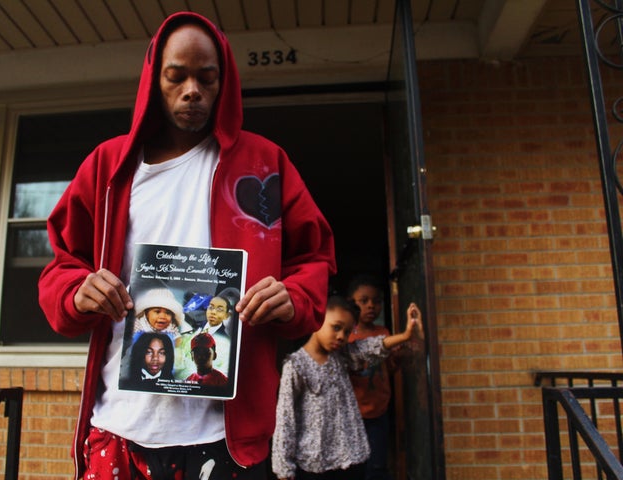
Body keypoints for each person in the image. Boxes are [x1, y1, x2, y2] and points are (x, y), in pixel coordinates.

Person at [37, 11, 336, 480]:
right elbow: (60, 266)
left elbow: (313, 257)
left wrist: (293, 296)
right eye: (176, 77)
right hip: (118, 424)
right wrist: (77, 291)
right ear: (154, 80)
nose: (192, 90)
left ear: (225, 83)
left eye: (207, 78)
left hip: (225, 437)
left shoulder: (264, 164)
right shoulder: (108, 168)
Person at [271, 296, 423, 480]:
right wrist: (284, 468)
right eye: (336, 327)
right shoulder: (296, 366)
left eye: (347, 331)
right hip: (315, 466)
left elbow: (370, 347)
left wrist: (406, 335)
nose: (342, 336)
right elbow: (285, 418)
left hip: (353, 459)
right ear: (318, 321)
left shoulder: (341, 356)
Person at [347, 274, 403, 480]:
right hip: (352, 413)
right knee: (354, 466)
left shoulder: (384, 333)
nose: (371, 306)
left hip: (379, 411)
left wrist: (397, 359)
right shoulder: (346, 336)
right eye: (364, 301)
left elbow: (388, 371)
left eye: (376, 301)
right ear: (351, 304)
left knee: (377, 466)